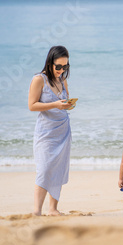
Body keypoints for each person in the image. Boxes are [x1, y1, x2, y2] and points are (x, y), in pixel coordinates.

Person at [28, 46, 75, 216]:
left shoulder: (62, 80)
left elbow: (64, 101)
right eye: (59, 67)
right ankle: (37, 210)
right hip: (46, 132)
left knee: (59, 168)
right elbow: (32, 105)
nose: (62, 70)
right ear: (50, 63)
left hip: (63, 129)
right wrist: (55, 104)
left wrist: (67, 104)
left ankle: (53, 209)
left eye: (65, 67)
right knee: (45, 168)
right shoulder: (39, 80)